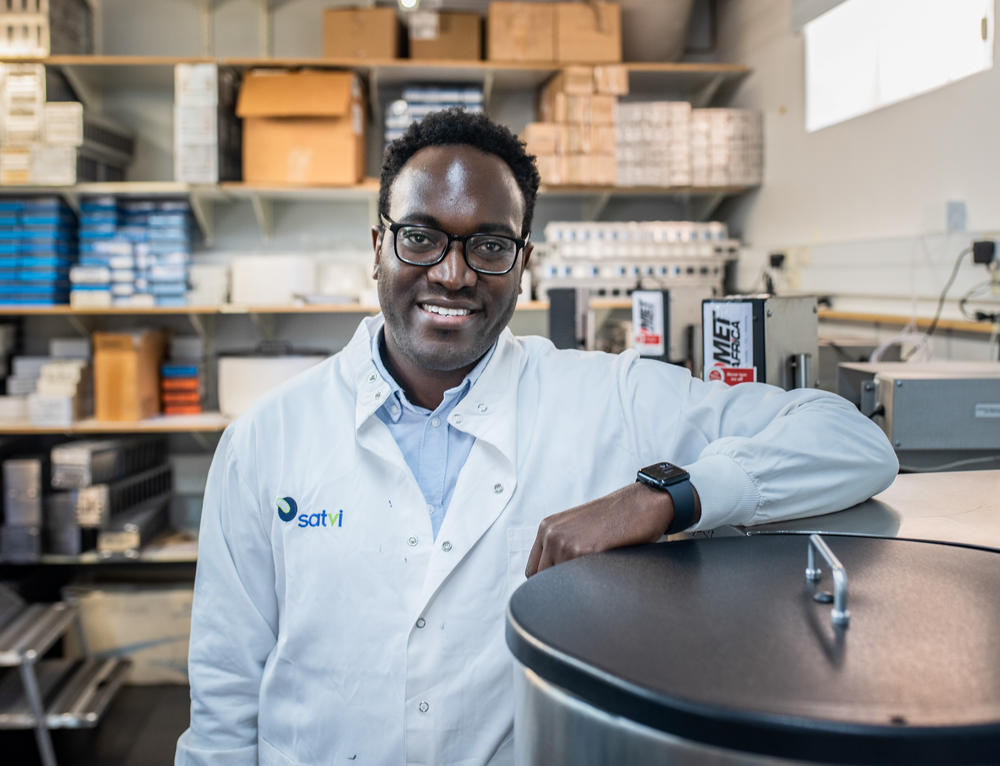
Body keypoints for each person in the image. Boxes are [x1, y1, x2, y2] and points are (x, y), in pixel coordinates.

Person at [175, 109, 897, 765]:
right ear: (378, 245)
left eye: (489, 245)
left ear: (524, 264)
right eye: (421, 237)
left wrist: (665, 495)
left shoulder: (609, 398)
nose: (452, 275)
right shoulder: (267, 439)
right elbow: (225, 695)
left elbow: (849, 439)